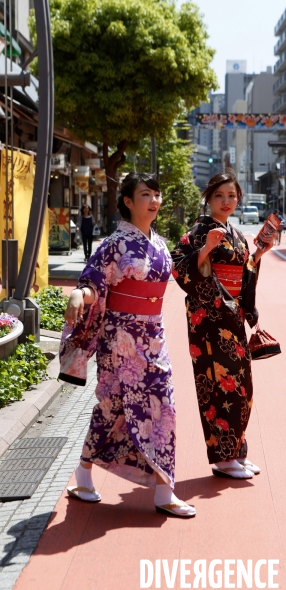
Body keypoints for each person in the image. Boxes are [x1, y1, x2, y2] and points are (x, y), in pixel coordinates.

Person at [62, 172, 195, 518]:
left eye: (157, 194)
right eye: (146, 194)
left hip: (153, 337)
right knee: (111, 409)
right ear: (128, 202)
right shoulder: (113, 244)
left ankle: (165, 491)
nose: (154, 200)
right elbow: (94, 283)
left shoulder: (161, 244)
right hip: (120, 340)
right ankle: (83, 475)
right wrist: (80, 294)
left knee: (165, 406)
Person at [171, 172, 273, 480]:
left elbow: (245, 272)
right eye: (219, 196)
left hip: (232, 319)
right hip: (209, 322)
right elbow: (179, 268)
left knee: (242, 384)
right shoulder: (200, 231)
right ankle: (223, 457)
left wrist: (258, 254)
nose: (226, 201)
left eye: (232, 195)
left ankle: (236, 450)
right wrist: (203, 251)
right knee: (219, 385)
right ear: (209, 199)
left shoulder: (237, 234)